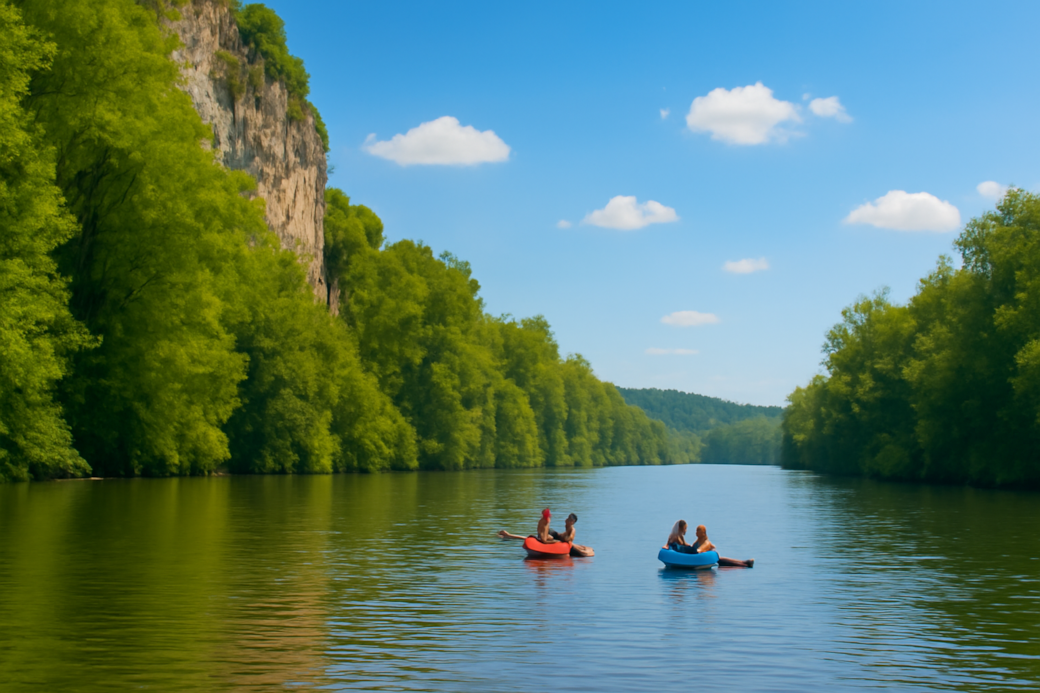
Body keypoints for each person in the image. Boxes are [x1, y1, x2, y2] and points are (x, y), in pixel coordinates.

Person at [664, 520, 754, 568]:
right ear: (680, 528)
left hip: (695, 554)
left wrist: (694, 549)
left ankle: (744, 564)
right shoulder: (675, 536)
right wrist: (666, 546)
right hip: (689, 554)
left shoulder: (681, 537)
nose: (686, 531)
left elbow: (687, 546)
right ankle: (744, 563)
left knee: (720, 561)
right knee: (720, 561)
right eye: (685, 529)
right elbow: (669, 543)